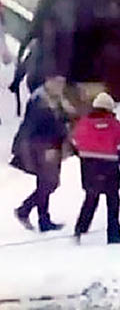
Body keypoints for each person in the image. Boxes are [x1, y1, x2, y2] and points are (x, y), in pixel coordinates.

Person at [12, 76, 76, 232]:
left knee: (46, 182)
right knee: (49, 182)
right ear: (49, 82)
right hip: (43, 146)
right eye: (58, 84)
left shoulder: (54, 99)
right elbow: (39, 125)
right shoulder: (40, 101)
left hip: (52, 145)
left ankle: (38, 217)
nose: (61, 87)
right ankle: (28, 212)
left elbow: (64, 119)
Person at [72, 92, 120, 245]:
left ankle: (80, 230)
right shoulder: (117, 126)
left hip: (88, 168)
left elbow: (74, 143)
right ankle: (113, 235)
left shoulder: (83, 123)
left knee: (91, 199)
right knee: (113, 201)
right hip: (109, 168)